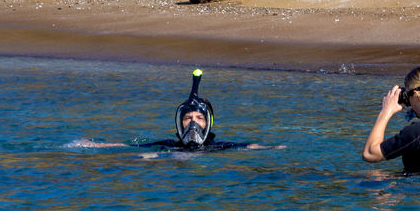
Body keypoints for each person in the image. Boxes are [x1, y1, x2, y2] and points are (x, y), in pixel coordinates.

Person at [76, 69, 277, 152]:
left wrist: (272, 148)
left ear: (209, 123)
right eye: (188, 117)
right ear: (179, 122)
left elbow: (246, 146)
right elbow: (127, 145)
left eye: (199, 117)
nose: (193, 123)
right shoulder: (169, 145)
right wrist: (97, 145)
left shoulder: (219, 147)